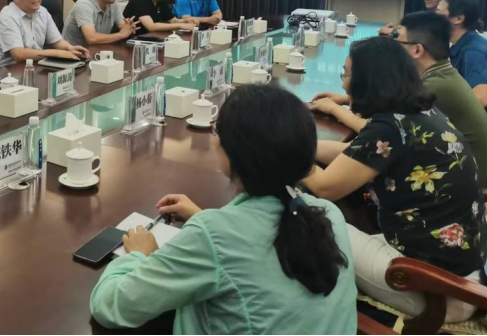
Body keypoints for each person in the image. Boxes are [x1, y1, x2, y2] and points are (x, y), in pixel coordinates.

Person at [90, 86, 357, 335]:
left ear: (230, 152)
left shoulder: (213, 236)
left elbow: (111, 306)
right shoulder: (328, 213)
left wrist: (138, 256)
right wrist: (205, 219)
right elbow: (254, 250)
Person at [304, 37, 487, 323]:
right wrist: (304, 146)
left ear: (368, 81)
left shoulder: (389, 127)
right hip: (461, 272)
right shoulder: (416, 112)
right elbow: (356, 155)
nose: (344, 86)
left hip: (432, 287)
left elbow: (324, 187)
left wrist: (282, 152)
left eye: (347, 75)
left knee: (315, 220)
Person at [398, 11, 487, 187]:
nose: (395, 49)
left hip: (464, 185)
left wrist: (340, 110)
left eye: (399, 43)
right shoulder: (443, 74)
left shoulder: (434, 87)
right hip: (462, 170)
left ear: (417, 50)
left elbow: (387, 128)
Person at [439, 0, 487, 128]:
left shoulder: (473, 52)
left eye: (438, 13)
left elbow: (481, 98)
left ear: (458, 19)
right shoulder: (469, 41)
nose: (432, 18)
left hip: (483, 125)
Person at [0, 0, 89, 69]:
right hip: (3, 72)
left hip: (33, 67)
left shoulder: (42, 11)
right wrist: (57, 54)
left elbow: (57, 41)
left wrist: (70, 48)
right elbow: (18, 54)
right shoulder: (7, 16)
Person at [379, 0, 451, 35]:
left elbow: (421, 34)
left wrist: (393, 31)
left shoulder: (446, 18)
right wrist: (399, 27)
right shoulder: (423, 17)